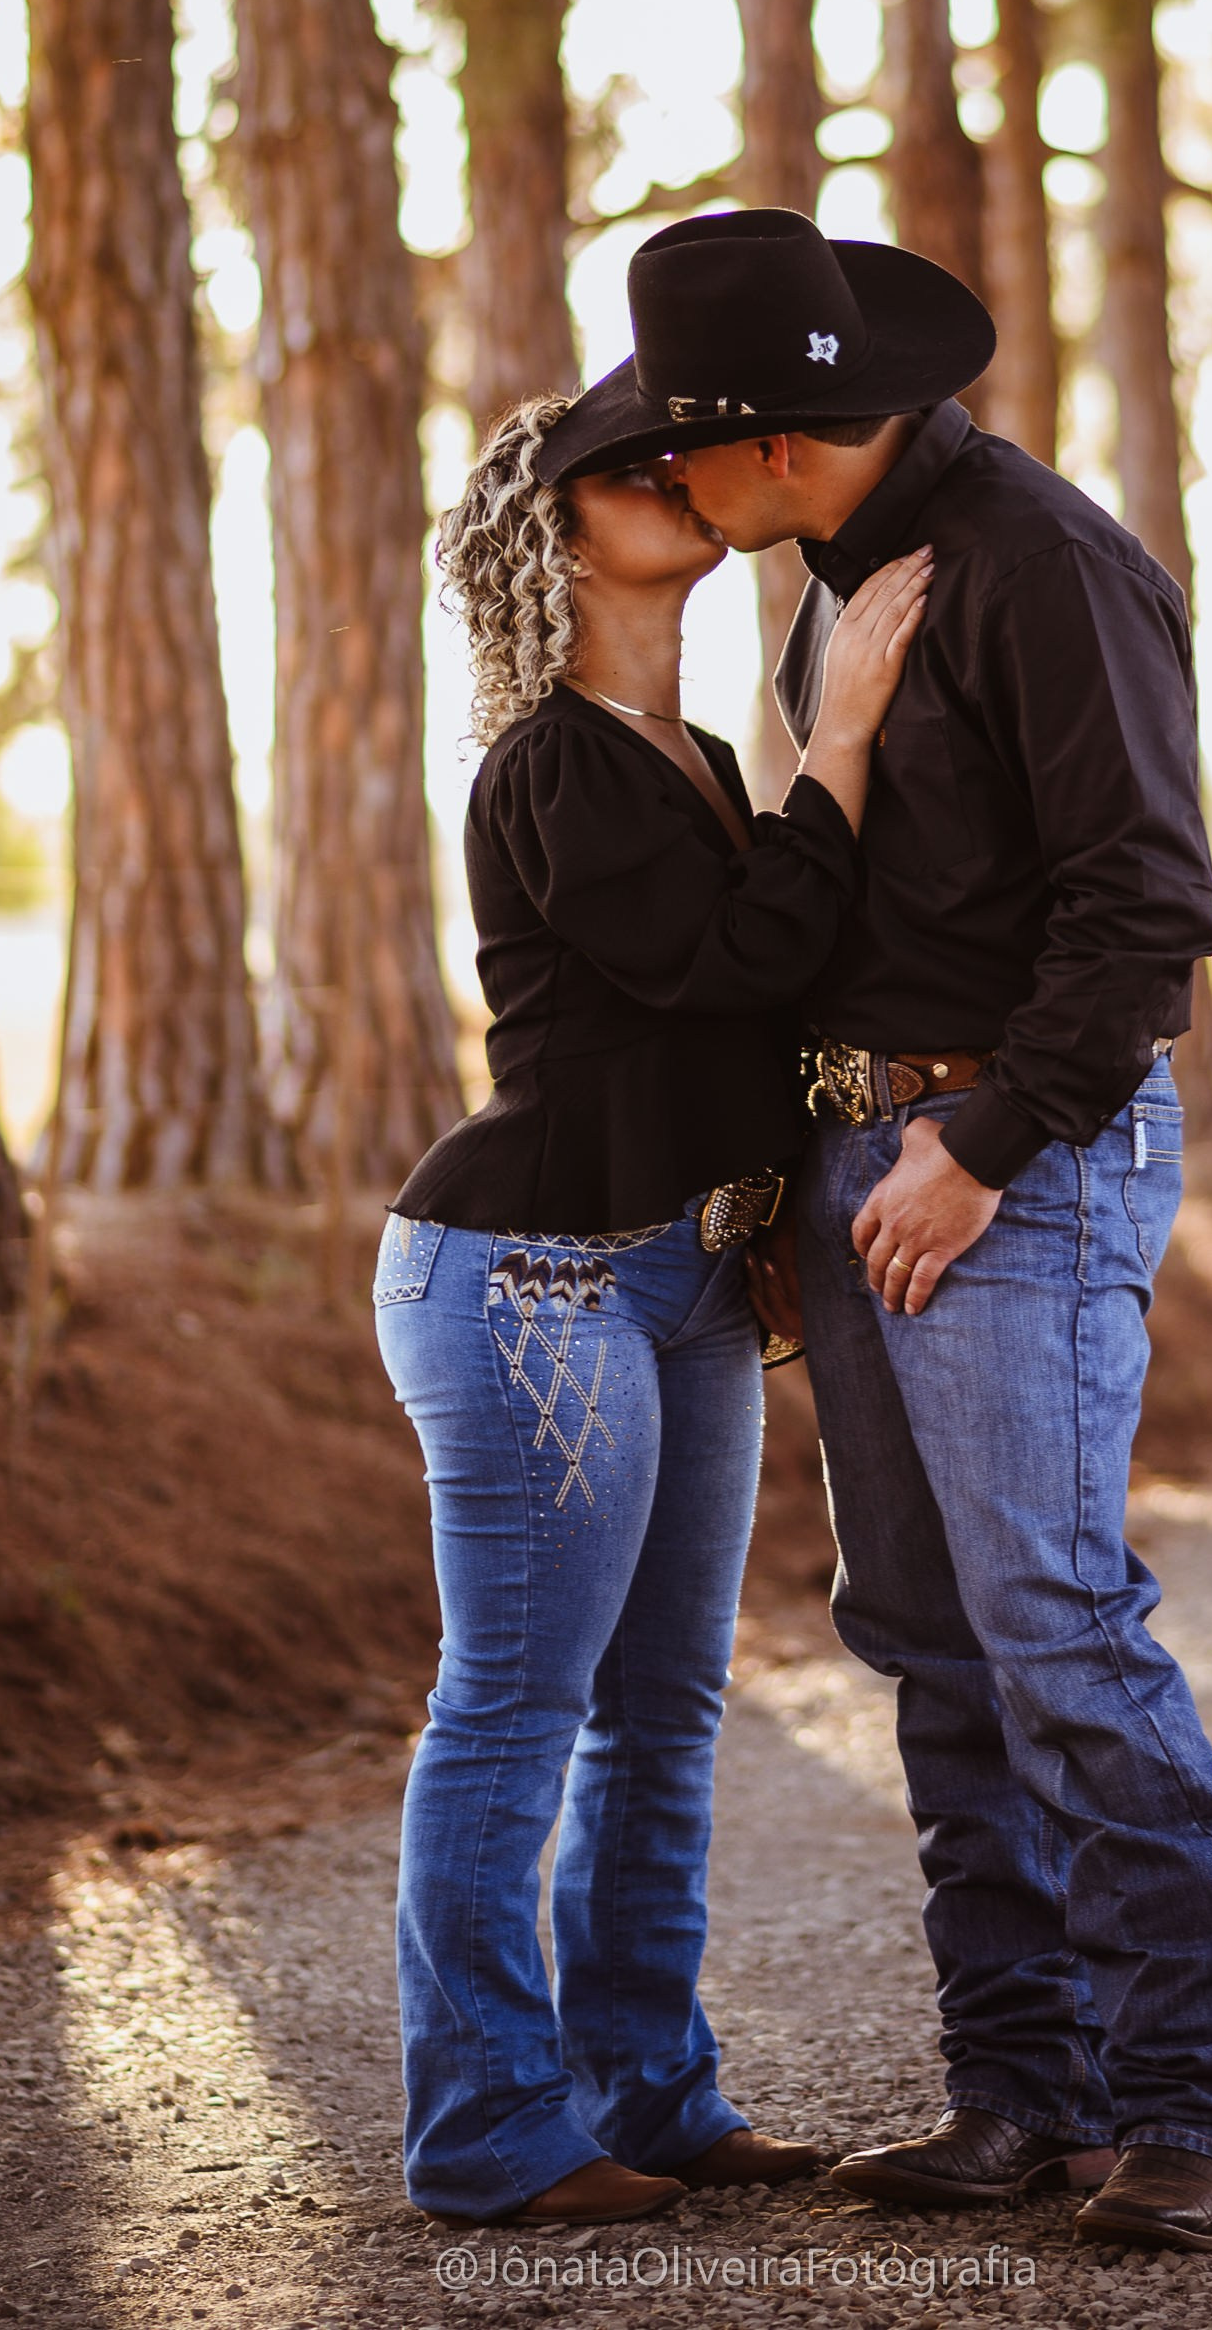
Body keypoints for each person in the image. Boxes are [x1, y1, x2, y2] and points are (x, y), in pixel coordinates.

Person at [583, 205, 1212, 2258]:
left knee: (1051, 1623)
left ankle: (1194, 2093)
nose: (663, 479)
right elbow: (849, 913)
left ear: (771, 441)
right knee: (924, 1634)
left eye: (676, 444)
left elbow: (1145, 907)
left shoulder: (1043, 564)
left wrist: (976, 1141)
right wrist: (804, 1165)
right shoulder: (836, 580)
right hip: (862, 1164)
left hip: (1016, 1157)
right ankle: (1024, 2086)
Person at [373, 375, 931, 2231]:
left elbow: (744, 1030)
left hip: (685, 1276)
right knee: (515, 1709)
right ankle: (485, 2130)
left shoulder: (682, 749)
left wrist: (764, 1205)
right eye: (627, 469)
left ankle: (652, 2093)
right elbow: (732, 965)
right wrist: (841, 739)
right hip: (532, 1276)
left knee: (666, 1708)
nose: (674, 478)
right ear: (556, 533)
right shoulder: (549, 761)